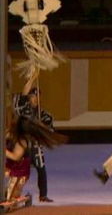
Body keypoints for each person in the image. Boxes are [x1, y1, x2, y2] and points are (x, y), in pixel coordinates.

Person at [12, 71, 56, 202]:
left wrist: (43, 127)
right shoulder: (24, 108)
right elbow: (24, 93)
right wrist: (32, 78)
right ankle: (12, 192)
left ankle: (43, 195)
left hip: (36, 145)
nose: (35, 99)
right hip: (23, 144)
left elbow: (50, 131)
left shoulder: (45, 115)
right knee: (20, 172)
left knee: (41, 169)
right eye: (32, 96)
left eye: (37, 97)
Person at [4, 114, 65, 203]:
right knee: (10, 190)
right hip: (13, 168)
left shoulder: (22, 141)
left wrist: (3, 151)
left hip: (19, 172)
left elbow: (15, 157)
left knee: (11, 194)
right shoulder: (14, 135)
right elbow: (7, 135)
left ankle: (11, 197)